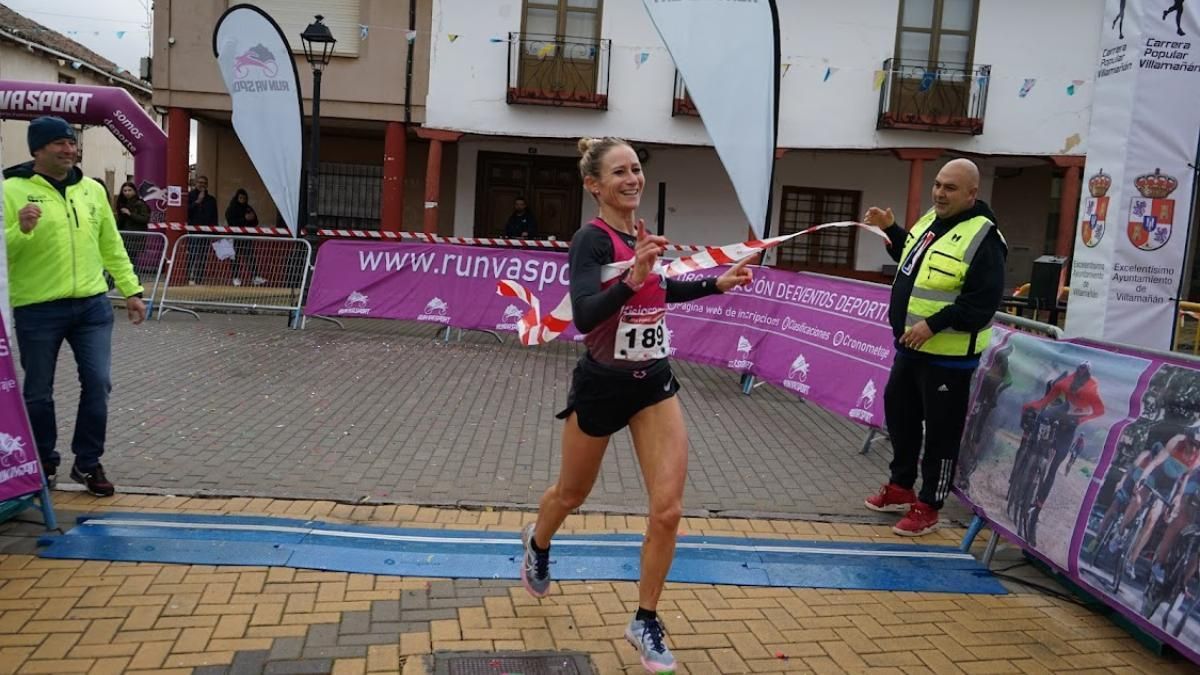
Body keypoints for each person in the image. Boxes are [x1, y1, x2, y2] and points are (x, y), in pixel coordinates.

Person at [519, 137, 753, 674]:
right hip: (601, 386)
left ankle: (645, 618)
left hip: (653, 384)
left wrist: (714, 284)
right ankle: (539, 539)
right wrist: (633, 277)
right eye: (619, 172)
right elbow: (584, 315)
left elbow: (656, 293)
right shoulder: (592, 240)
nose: (632, 179)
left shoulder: (642, 235)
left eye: (635, 170)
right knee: (571, 494)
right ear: (594, 185)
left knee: (667, 512)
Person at [861, 158, 1008, 536]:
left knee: (941, 433)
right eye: (938, 185)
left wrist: (933, 325)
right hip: (910, 349)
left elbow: (980, 305)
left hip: (949, 360)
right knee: (901, 417)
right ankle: (900, 485)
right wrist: (890, 229)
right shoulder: (931, 221)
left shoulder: (984, 239)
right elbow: (911, 261)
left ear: (972, 194)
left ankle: (929, 504)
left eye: (950, 188)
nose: (940, 193)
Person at [2, 116, 146, 496]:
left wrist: (132, 290)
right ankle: (44, 462)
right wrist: (20, 230)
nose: (70, 150)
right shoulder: (10, 190)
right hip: (37, 307)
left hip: (91, 306)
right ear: (37, 149)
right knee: (37, 391)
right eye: (59, 144)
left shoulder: (91, 191)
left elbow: (110, 243)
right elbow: (3, 252)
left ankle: (87, 462)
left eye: (72, 143)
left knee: (98, 383)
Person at [1115, 426, 1200, 580]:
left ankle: (1131, 560)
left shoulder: (1197, 457)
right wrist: (1143, 477)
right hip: (1156, 476)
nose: (1194, 448)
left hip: (1169, 485)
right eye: (1192, 443)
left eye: (1198, 445)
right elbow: (1155, 462)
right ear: (1187, 438)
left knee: (1152, 520)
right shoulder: (1177, 441)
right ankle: (1120, 531)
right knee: (1138, 500)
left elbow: (1185, 480)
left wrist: (1178, 497)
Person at [1021, 362, 1106, 508]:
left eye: (1084, 371)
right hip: (1065, 409)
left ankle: (1039, 503)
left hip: (1075, 417)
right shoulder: (1069, 379)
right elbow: (1048, 399)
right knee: (1045, 416)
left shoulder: (1092, 387)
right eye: (1079, 369)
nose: (1080, 373)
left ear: (1088, 374)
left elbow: (1100, 410)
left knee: (1054, 467)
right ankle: (1035, 445)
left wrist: (1081, 419)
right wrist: (1034, 406)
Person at [224, 188, 266, 287]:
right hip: (235, 237)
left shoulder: (248, 208)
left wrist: (252, 218)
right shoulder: (232, 209)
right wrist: (244, 219)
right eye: (240, 198)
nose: (242, 200)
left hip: (247, 237)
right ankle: (236, 277)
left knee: (250, 258)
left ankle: (255, 277)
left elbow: (256, 222)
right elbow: (232, 222)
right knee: (235, 258)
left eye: (244, 198)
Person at [186, 175, 218, 285]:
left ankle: (199, 278)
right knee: (193, 254)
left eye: (204, 183)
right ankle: (189, 276)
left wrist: (214, 233)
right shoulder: (190, 196)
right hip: (193, 231)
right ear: (195, 183)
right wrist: (197, 202)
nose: (202, 184)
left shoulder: (211, 200)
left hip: (206, 232)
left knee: (203, 256)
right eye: (199, 182)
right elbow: (186, 212)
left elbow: (214, 217)